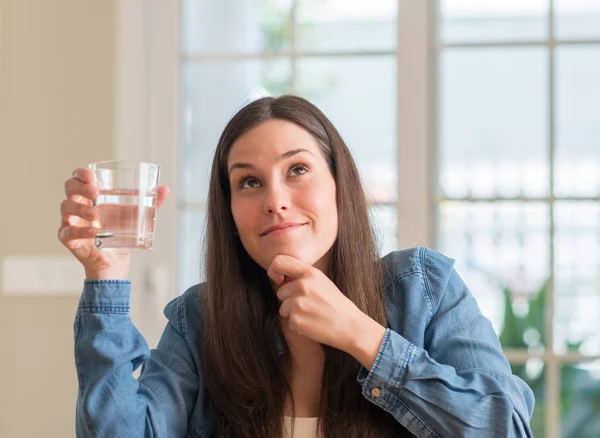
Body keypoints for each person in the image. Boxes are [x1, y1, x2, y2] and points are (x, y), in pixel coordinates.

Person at [59, 95, 534, 438]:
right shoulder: (201, 319)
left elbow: (507, 429)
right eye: (248, 182)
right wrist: (106, 276)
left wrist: (364, 338)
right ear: (229, 210)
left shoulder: (423, 288)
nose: (275, 201)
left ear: (338, 185)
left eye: (298, 170)